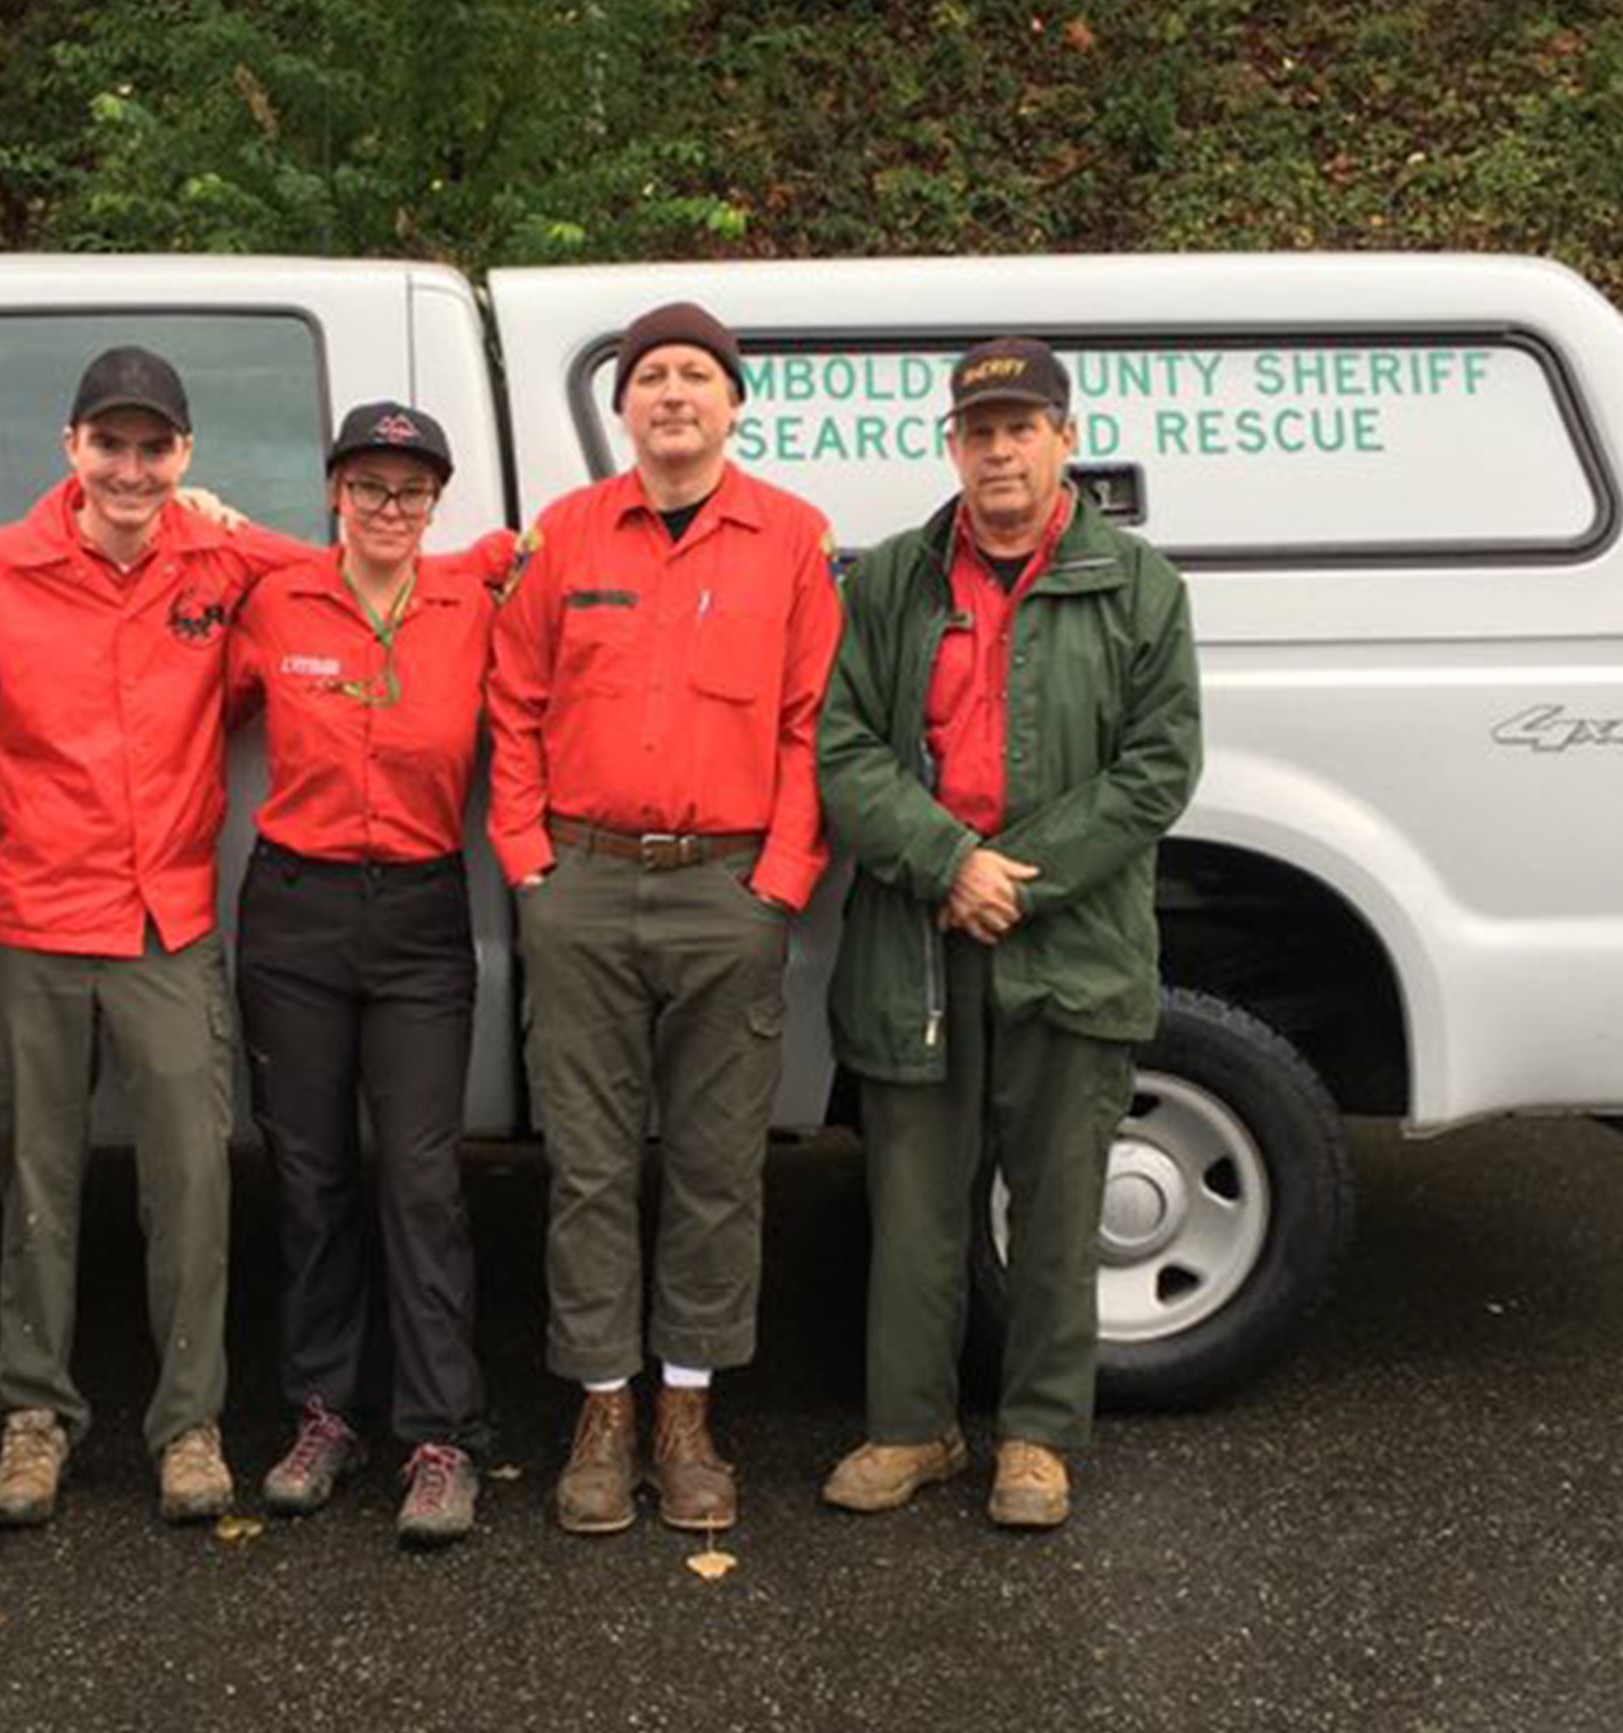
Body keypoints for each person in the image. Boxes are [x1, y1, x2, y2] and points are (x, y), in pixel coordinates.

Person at [816, 336, 1202, 1530]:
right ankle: (908, 1427)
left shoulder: (1138, 585)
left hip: (1066, 936)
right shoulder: (887, 580)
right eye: (978, 430)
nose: (998, 449)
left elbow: (1157, 768)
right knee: (915, 1206)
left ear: (1063, 439)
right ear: (951, 445)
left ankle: (1035, 1438)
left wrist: (1014, 881)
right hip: (914, 937)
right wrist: (944, 859)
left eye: (1020, 427)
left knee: (1053, 1202)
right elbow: (840, 747)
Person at [0, 346, 316, 1527]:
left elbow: (337, 577)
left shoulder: (217, 557)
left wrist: (242, 523)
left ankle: (189, 1423)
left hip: (167, 924)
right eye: (111, 444)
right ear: (71, 449)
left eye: (155, 448)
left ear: (186, 456)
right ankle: (33, 1417)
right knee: (36, 1188)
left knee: (192, 1187)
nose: (132, 468)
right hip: (33, 918)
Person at [485, 302, 843, 1535]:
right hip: (580, 882)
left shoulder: (791, 540)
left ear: (733, 404)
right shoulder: (566, 534)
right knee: (586, 1165)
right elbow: (513, 703)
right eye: (650, 377)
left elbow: (812, 723)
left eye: (696, 374)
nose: (672, 393)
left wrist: (779, 884)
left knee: (713, 1166)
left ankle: (687, 1406)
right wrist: (529, 864)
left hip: (725, 888)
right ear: (621, 406)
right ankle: (600, 1407)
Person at [228, 402, 515, 1548]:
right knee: (307, 1175)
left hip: (417, 911)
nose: (389, 508)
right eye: (368, 486)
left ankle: (441, 1432)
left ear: (436, 502)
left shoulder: (473, 600)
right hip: (292, 911)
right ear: (333, 492)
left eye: (411, 489)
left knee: (418, 1177)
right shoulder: (277, 598)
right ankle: (322, 1413)